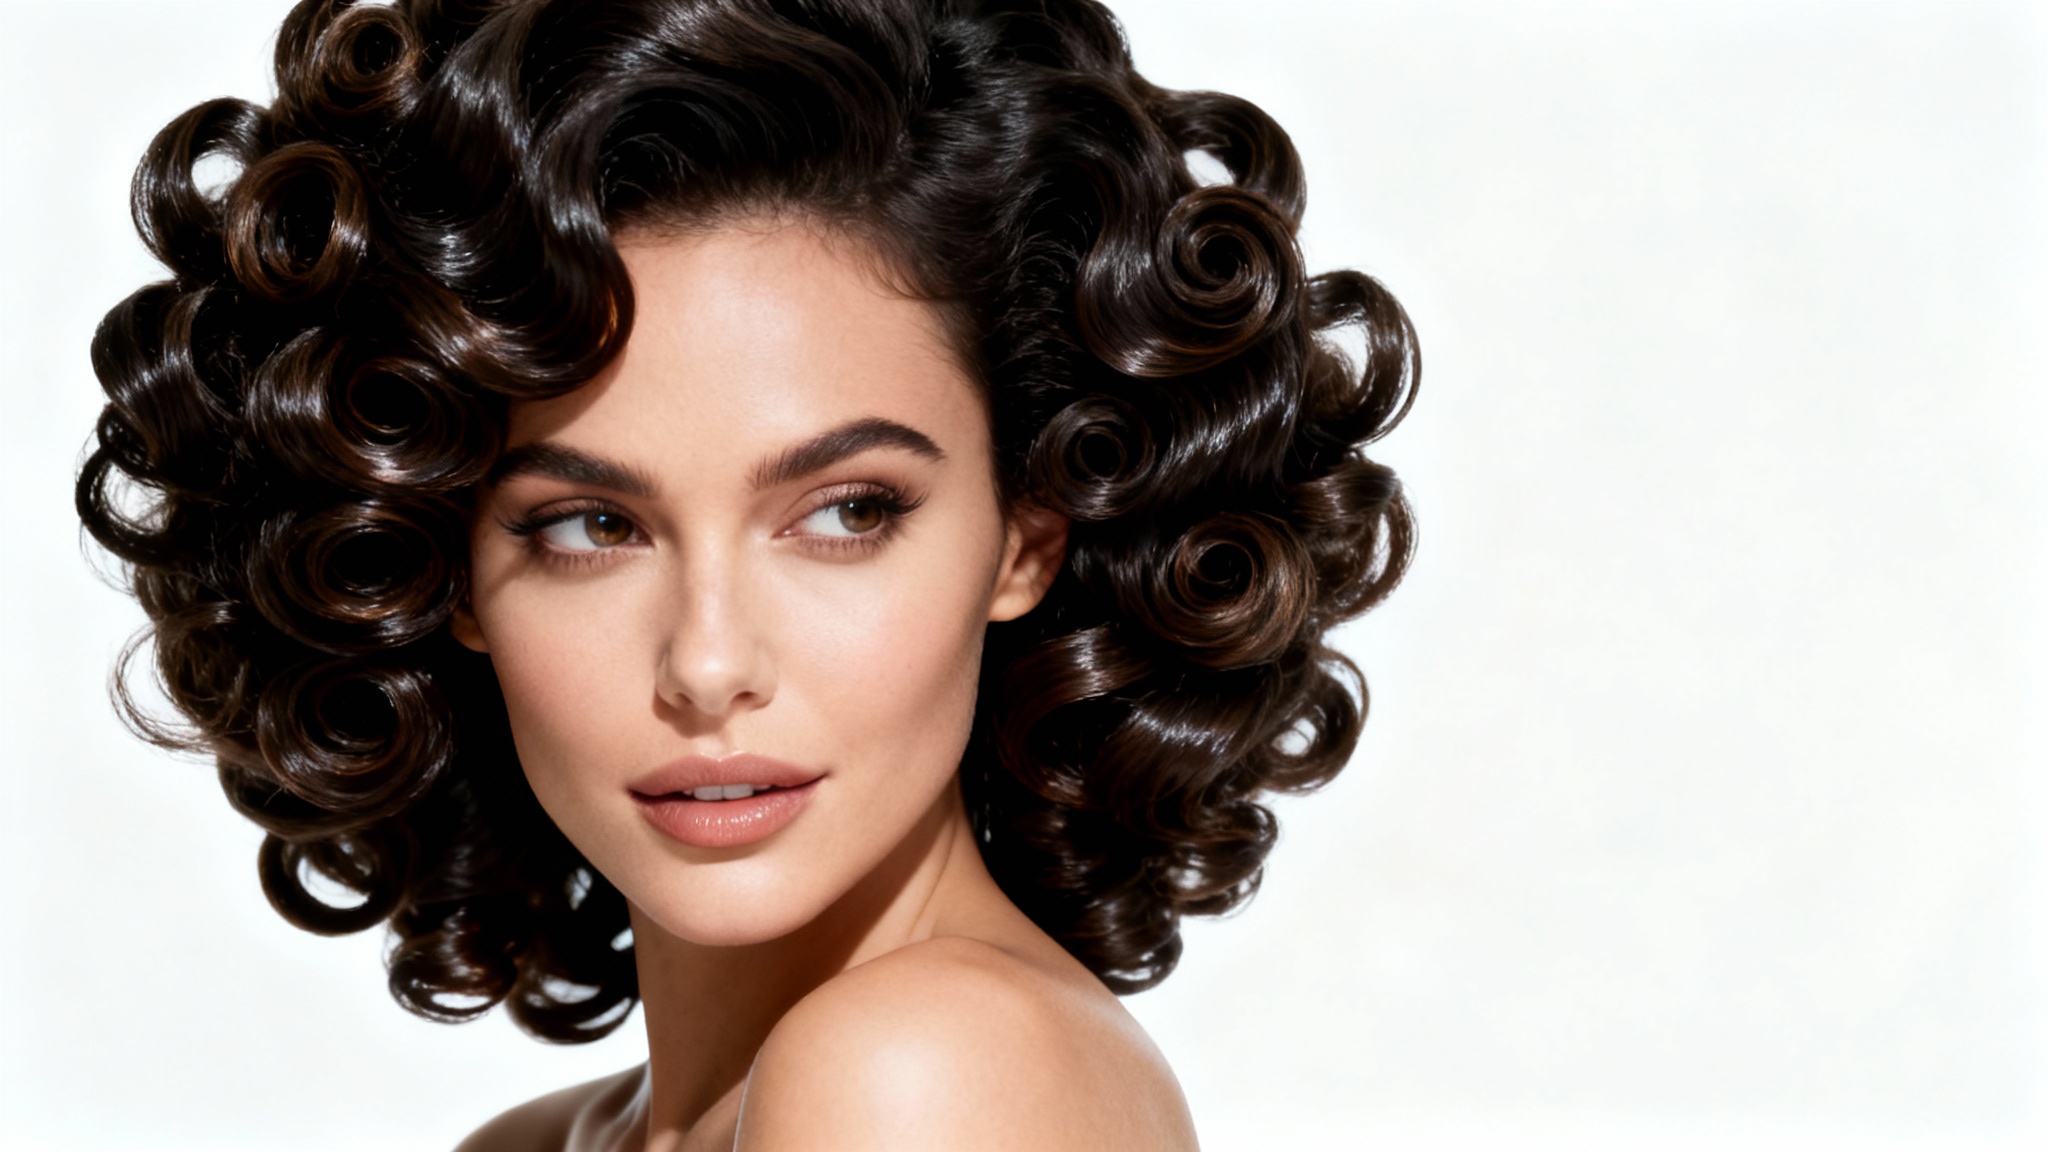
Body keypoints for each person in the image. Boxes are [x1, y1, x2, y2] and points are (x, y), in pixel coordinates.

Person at [77, 0, 1416, 1147]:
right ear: (445, 572)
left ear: (1027, 534)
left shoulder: (925, 1074)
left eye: (845, 512)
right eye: (589, 528)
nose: (709, 664)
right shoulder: (542, 1141)